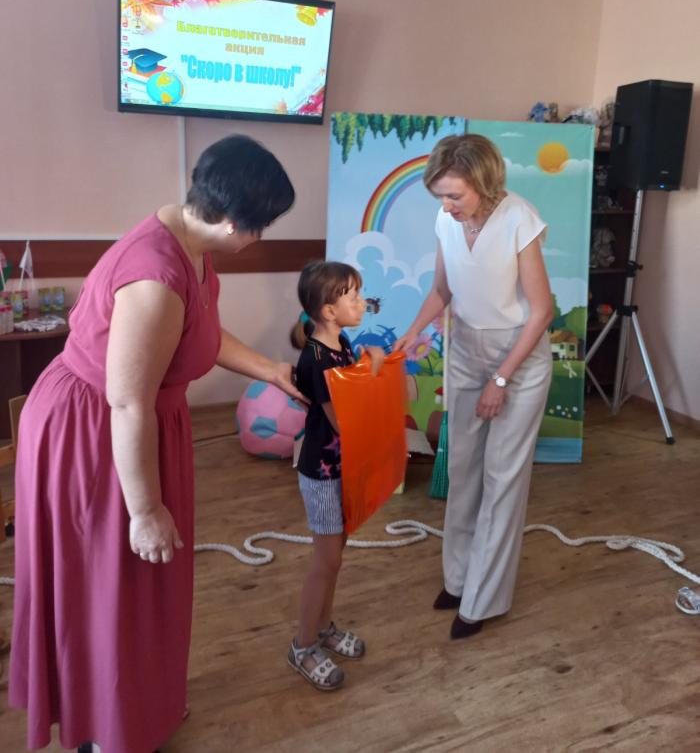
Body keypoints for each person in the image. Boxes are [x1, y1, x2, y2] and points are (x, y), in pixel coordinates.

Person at [10, 134, 302, 753]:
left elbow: (198, 333)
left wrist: (271, 370)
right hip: (96, 434)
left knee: (142, 587)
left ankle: (139, 705)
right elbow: (126, 401)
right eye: (261, 227)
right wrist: (143, 509)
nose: (260, 239)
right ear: (231, 221)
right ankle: (102, 728)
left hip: (134, 423)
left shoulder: (190, 244)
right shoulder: (155, 275)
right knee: (109, 582)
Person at [395, 134, 553, 640]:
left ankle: (482, 599)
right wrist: (412, 332)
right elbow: (442, 290)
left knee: (502, 478)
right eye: (441, 195)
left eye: (454, 195)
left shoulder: (519, 219)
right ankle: (459, 580)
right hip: (466, 349)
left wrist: (501, 378)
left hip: (518, 357)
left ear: (484, 183)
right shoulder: (447, 219)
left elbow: (542, 311)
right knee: (462, 470)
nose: (446, 205)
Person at [288, 261, 383, 691]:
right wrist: (375, 371)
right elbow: (344, 421)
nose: (362, 303)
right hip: (323, 475)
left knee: (335, 557)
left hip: (341, 468)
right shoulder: (317, 360)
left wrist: (364, 362)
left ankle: (323, 628)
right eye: (354, 297)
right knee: (325, 563)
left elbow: (350, 385)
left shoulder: (340, 343)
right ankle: (303, 645)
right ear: (329, 311)